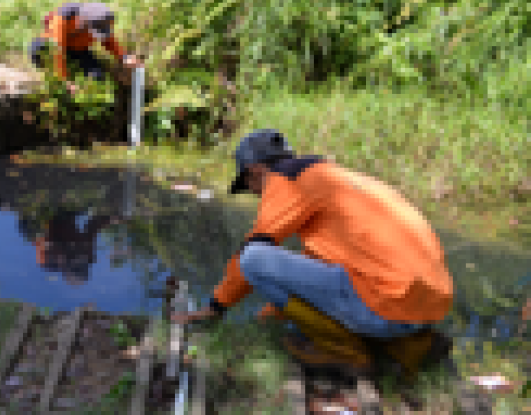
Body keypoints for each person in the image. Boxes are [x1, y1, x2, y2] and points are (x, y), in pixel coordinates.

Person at [172, 128, 454, 378]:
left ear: (256, 171)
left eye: (250, 188)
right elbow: (323, 264)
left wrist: (216, 307)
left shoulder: (286, 180)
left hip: (386, 304)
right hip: (427, 307)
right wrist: (274, 313)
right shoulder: (337, 178)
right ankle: (412, 344)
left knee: (253, 259)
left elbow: (256, 249)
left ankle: (346, 353)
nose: (257, 196)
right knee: (303, 291)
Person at [29, 2, 142, 84]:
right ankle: (47, 72)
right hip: (52, 46)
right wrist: (64, 81)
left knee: (97, 76)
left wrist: (124, 57)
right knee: (38, 49)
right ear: (82, 22)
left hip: (78, 50)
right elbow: (57, 50)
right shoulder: (63, 18)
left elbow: (109, 41)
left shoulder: (103, 20)